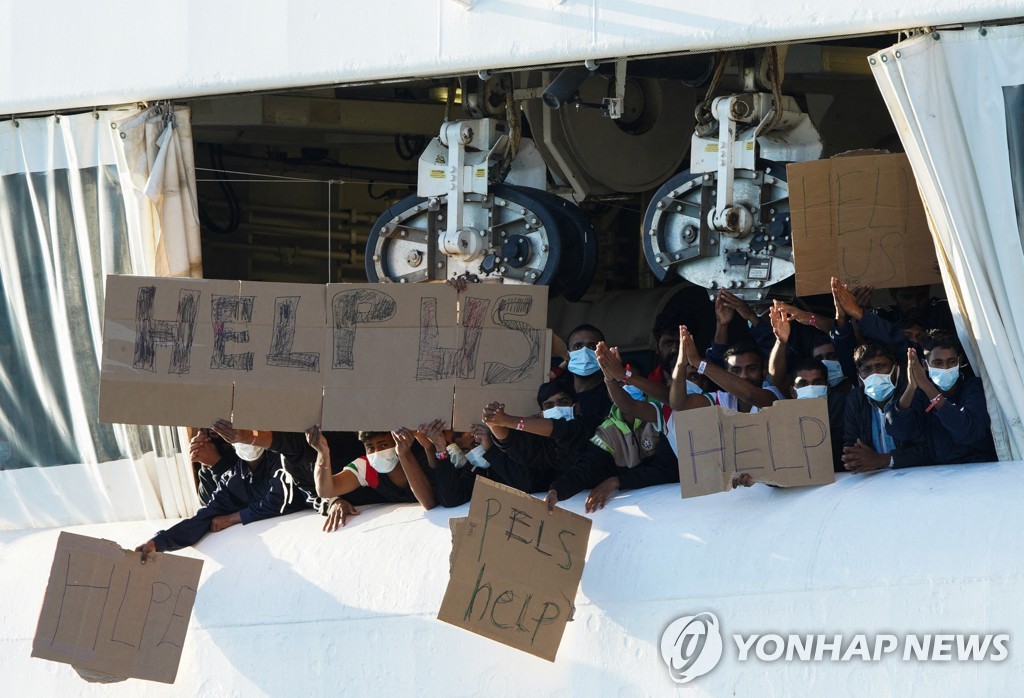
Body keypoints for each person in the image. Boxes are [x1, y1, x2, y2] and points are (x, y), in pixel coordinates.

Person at [135, 437, 307, 562]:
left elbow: (282, 500)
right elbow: (203, 517)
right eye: (238, 434)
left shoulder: (282, 458)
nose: (244, 439)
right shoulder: (233, 478)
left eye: (248, 433)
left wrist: (234, 518)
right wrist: (157, 543)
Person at [888, 331, 996, 465]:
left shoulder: (973, 387)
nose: (945, 368)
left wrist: (928, 387)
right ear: (925, 365)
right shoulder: (921, 395)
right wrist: (911, 387)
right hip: (941, 474)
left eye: (951, 361)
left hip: (981, 468)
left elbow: (968, 431)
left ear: (959, 361)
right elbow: (901, 432)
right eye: (938, 363)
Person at [841, 341, 928, 473]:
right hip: (876, 481)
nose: (875, 374)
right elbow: (851, 443)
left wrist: (884, 459)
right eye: (867, 369)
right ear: (859, 376)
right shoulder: (855, 399)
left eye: (880, 366)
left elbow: (928, 450)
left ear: (896, 368)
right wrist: (854, 459)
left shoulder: (914, 393)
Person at [309, 426, 437, 510]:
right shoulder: (367, 466)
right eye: (370, 447)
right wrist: (323, 453)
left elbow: (428, 502)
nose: (377, 452)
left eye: (383, 445)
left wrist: (404, 454)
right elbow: (326, 491)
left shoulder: (421, 456)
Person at [564, 324, 613, 424]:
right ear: (568, 356)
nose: (585, 352)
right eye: (577, 347)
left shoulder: (612, 393)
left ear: (603, 353)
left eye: (592, 347)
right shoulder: (559, 392)